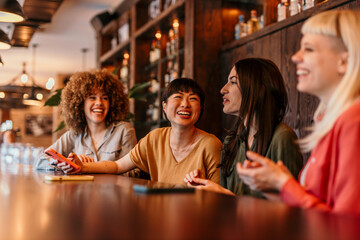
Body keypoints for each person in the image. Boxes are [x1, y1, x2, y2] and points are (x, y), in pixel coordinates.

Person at [236, 10, 360, 215]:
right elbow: (315, 205)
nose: (295, 57)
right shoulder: (331, 120)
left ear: (344, 62)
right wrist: (274, 186)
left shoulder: (353, 120)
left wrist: (283, 183)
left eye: (309, 49)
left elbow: (346, 226)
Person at [54, 78, 222, 185]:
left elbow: (220, 197)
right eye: (178, 97)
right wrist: (81, 166)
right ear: (164, 106)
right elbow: (118, 165)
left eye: (193, 99)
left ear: (200, 108)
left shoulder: (211, 144)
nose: (185, 104)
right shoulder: (155, 138)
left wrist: (201, 190)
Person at [184, 58, 303, 197]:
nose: (223, 89)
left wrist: (225, 195)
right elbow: (226, 202)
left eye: (233, 82)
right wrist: (207, 187)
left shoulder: (282, 138)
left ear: (258, 90)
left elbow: (291, 207)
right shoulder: (231, 141)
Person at [35, 70, 137, 173]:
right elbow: (40, 160)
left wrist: (88, 167)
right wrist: (65, 164)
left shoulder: (124, 131)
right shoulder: (74, 135)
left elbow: (133, 172)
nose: (99, 103)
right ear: (80, 103)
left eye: (105, 98)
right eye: (92, 97)